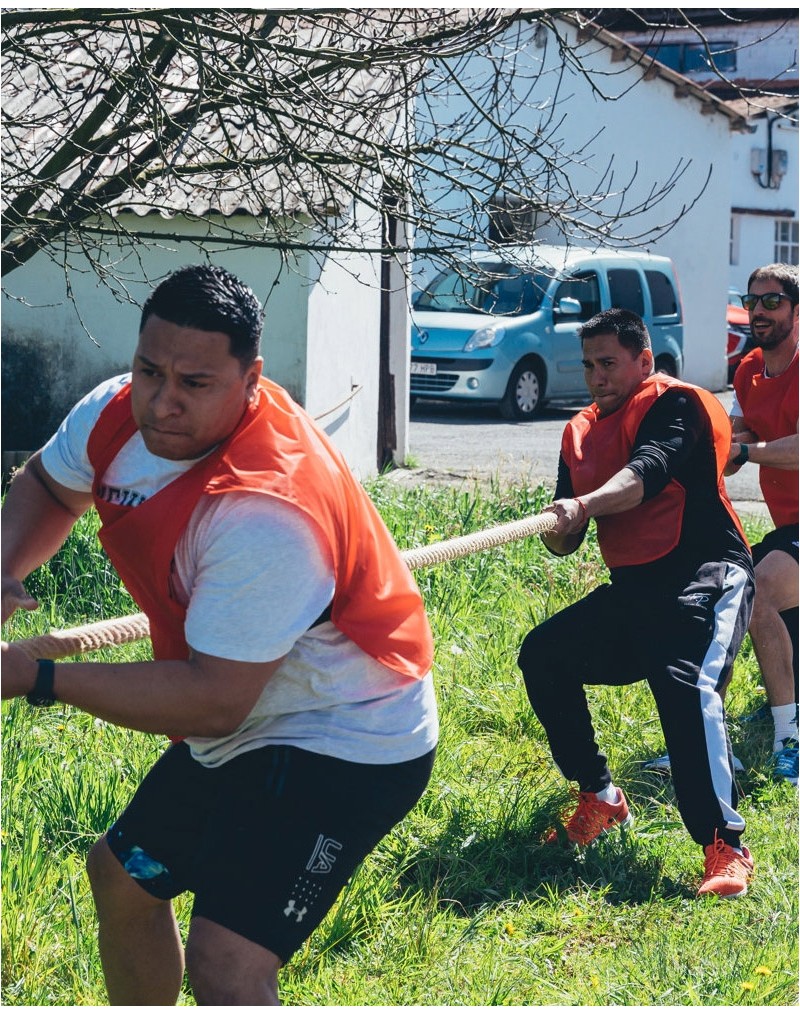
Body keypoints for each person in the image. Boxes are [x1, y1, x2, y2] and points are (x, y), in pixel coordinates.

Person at [1, 264, 439, 1005]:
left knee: (227, 957)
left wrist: (35, 676)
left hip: (347, 734)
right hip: (246, 715)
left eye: (194, 383)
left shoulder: (267, 510)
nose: (162, 401)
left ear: (251, 378)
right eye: (149, 369)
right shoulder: (116, 413)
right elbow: (48, 485)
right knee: (125, 878)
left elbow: (211, 701)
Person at [517, 308, 756, 898]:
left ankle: (725, 846)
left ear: (643, 361)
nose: (598, 377)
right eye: (589, 365)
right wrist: (557, 526)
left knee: (685, 687)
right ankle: (601, 796)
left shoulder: (675, 405)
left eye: (609, 363)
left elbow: (643, 476)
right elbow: (566, 539)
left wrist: (584, 506)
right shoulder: (578, 432)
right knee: (544, 654)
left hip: (707, 576)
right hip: (638, 594)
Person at [726, 262, 798, 786]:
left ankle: (788, 739)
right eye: (752, 302)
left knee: (755, 591)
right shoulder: (747, 369)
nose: (759, 312)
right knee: (732, 594)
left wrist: (746, 451)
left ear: (797, 309)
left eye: (772, 302)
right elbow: (740, 429)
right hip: (787, 523)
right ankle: (712, 732)